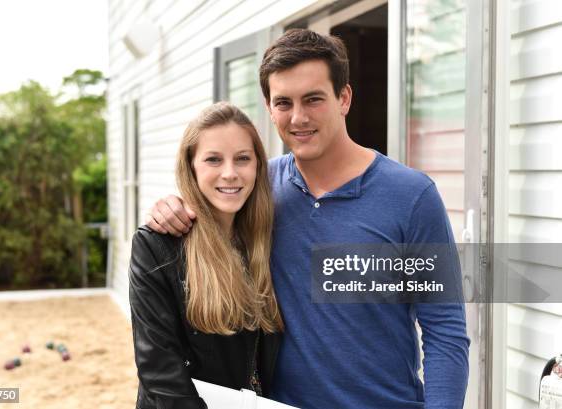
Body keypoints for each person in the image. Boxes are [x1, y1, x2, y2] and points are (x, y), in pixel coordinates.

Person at [147, 29, 470, 409]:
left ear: (343, 98)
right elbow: (207, 200)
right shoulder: (258, 189)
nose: (298, 117)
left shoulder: (412, 197)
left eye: (313, 99)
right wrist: (170, 207)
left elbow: (445, 331)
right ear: (269, 108)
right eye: (284, 102)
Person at [129, 102, 284, 409]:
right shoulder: (158, 246)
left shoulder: (265, 241)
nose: (230, 173)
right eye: (213, 159)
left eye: (242, 159)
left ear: (257, 166)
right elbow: (160, 371)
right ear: (191, 166)